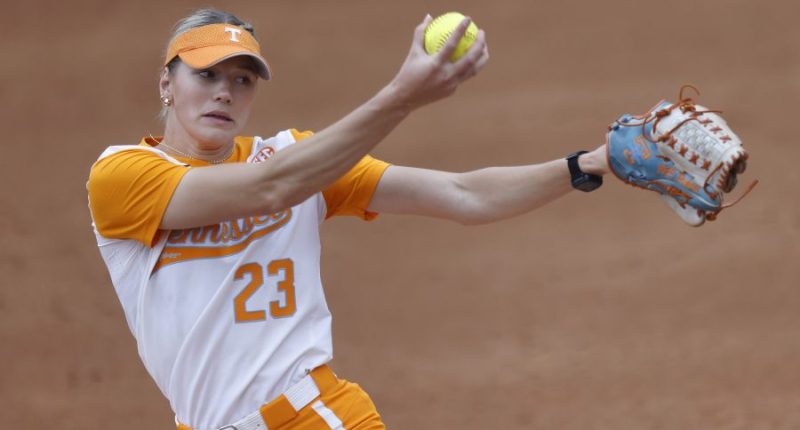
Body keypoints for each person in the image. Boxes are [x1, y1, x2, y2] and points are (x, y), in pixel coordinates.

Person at [87, 8, 609, 430]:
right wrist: (401, 97)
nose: (225, 91)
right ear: (166, 82)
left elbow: (462, 194)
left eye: (242, 79)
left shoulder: (295, 156)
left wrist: (583, 165)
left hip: (313, 416)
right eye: (207, 74)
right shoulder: (123, 176)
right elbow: (269, 189)